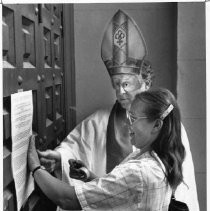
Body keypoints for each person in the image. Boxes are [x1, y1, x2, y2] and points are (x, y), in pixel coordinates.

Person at [37, 10, 199, 211]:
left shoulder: (170, 131)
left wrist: (34, 167)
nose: (120, 92)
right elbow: (78, 148)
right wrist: (62, 158)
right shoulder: (98, 121)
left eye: (126, 84)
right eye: (115, 85)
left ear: (145, 83)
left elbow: (180, 189)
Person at [28, 87, 186, 210]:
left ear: (157, 124)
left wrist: (35, 167)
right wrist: (90, 177)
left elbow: (66, 199)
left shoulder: (141, 170)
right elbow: (126, 192)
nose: (129, 124)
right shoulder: (152, 157)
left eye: (134, 118)